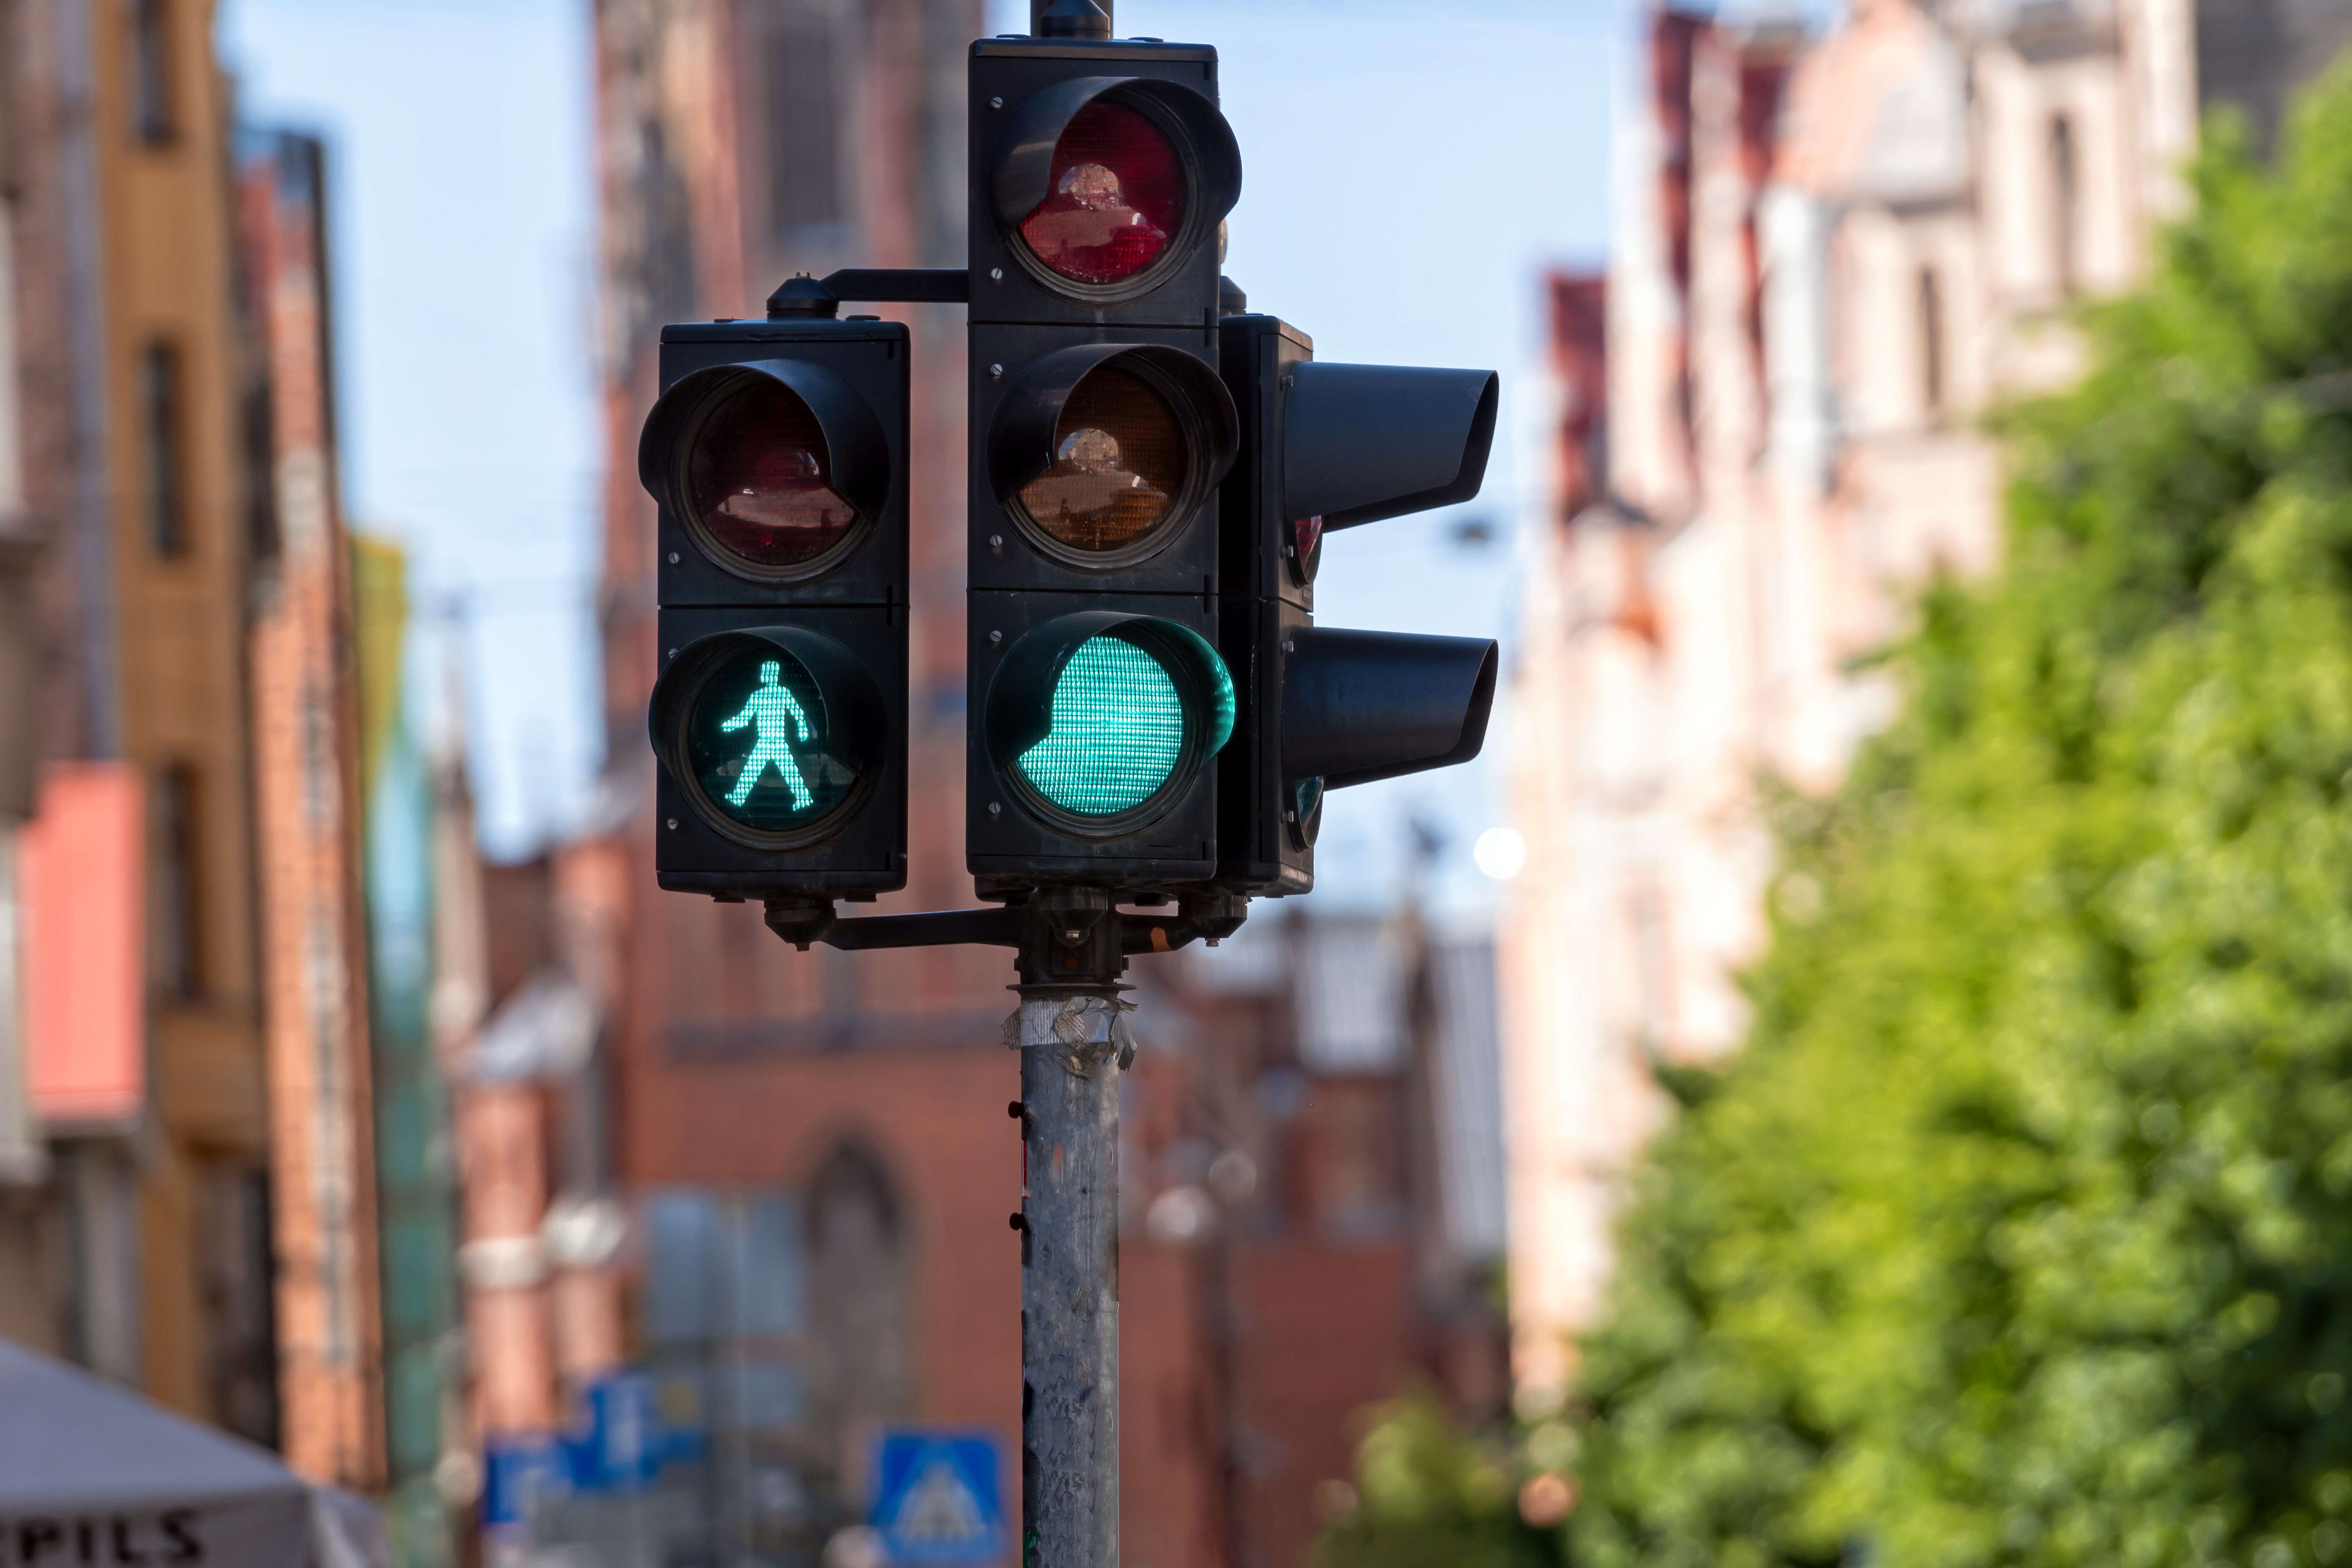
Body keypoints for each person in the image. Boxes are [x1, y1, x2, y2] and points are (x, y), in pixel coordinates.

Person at [719, 659, 814, 809]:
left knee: (784, 773)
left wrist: (803, 729)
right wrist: (729, 725)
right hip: (769, 741)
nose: (768, 675)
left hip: (774, 741)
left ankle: (804, 799)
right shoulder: (767, 694)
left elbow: (797, 713)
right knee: (755, 771)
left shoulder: (776, 693)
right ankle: (738, 799)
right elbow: (744, 718)